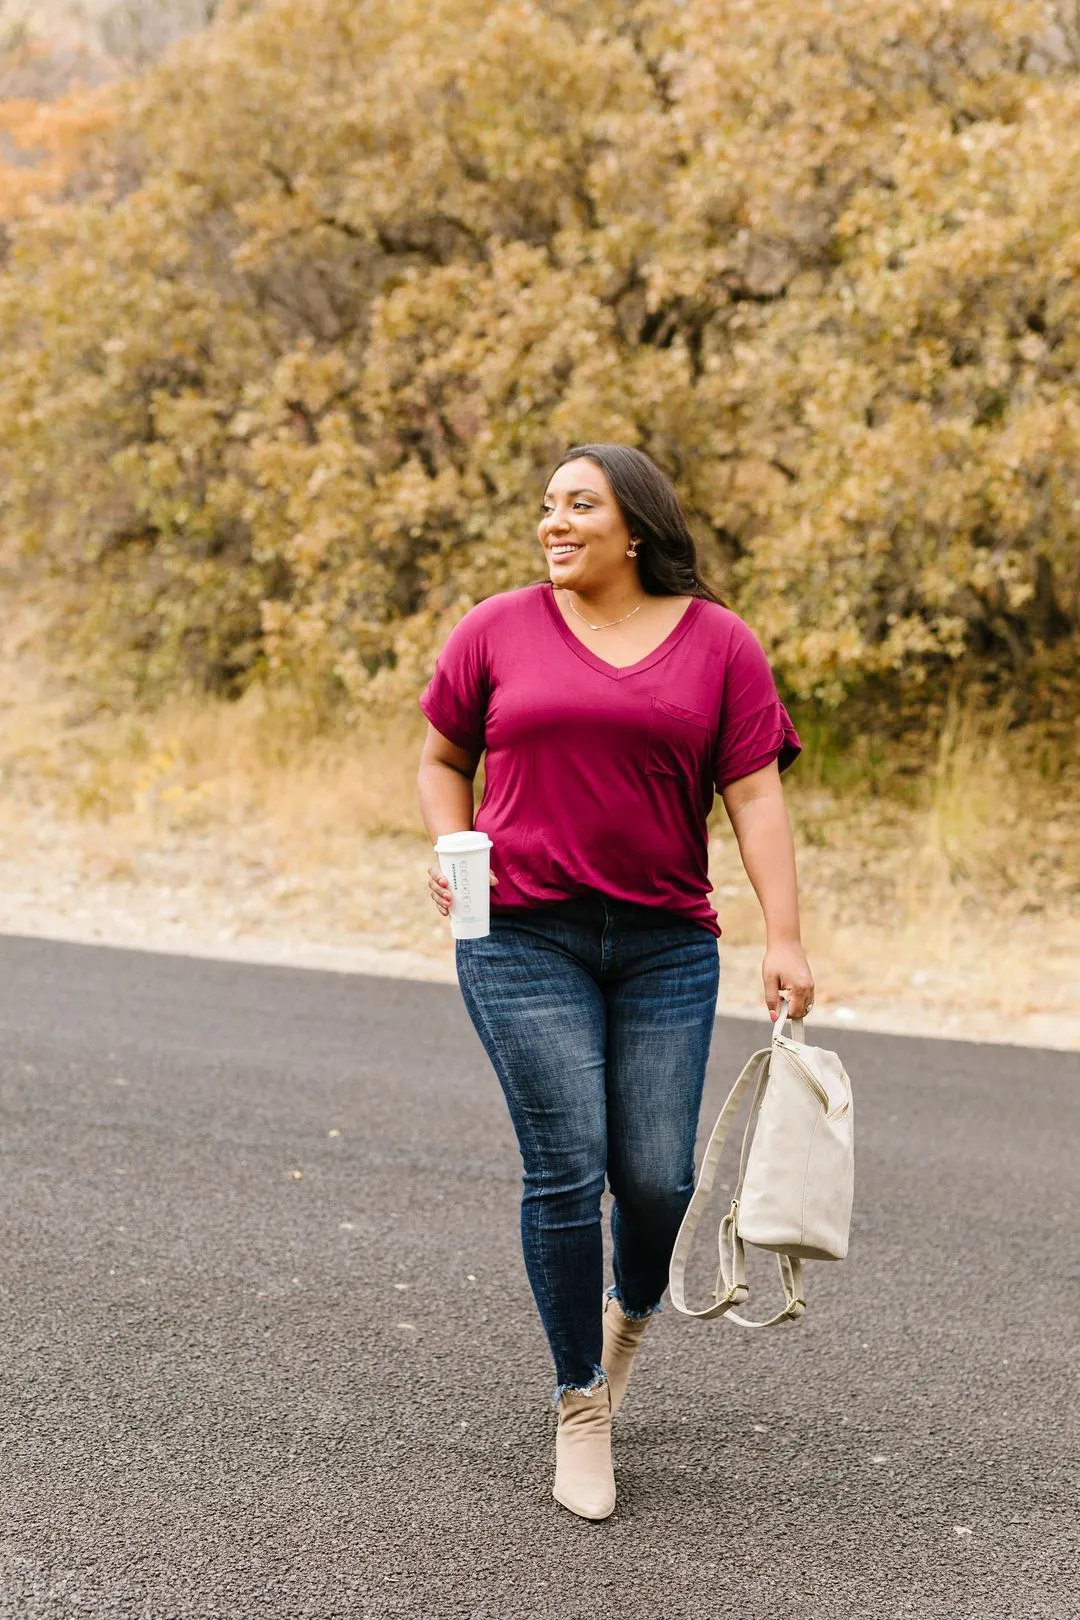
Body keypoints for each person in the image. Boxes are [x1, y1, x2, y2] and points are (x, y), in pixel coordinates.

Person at [416, 443, 814, 1522]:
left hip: (665, 946)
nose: (554, 522)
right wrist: (455, 848)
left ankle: (627, 1315)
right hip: (520, 937)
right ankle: (580, 1402)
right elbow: (443, 753)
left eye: (578, 506)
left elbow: (758, 799)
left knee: (656, 1180)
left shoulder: (720, 645)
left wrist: (785, 935)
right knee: (567, 1163)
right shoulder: (495, 628)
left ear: (633, 527)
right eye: (546, 505)